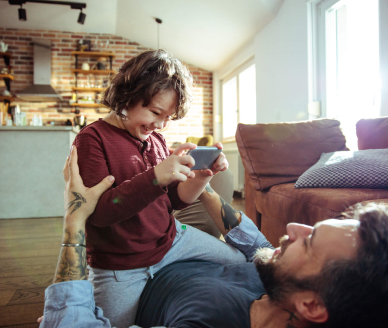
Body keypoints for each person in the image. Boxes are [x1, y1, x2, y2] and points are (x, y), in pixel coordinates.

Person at [40, 146, 388, 328]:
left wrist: (75, 219)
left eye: (309, 241)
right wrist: (202, 180)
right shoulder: (287, 281)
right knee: (197, 186)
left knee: (117, 215)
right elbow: (257, 245)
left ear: (311, 306)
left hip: (136, 272)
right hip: (186, 237)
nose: (293, 228)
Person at [72, 50, 246, 327]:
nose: (160, 125)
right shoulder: (91, 140)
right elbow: (100, 214)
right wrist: (155, 176)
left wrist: (201, 176)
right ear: (125, 96)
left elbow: (174, 202)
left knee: (241, 262)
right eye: (154, 112)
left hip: (171, 241)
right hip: (119, 265)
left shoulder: (157, 141)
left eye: (168, 117)